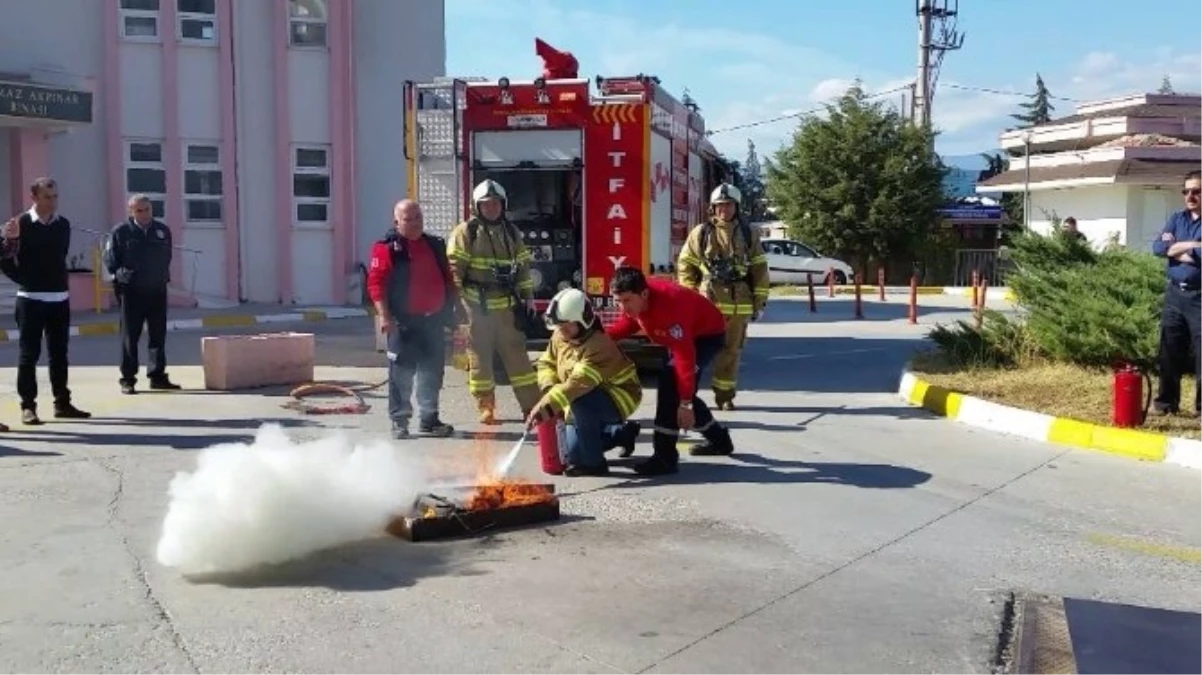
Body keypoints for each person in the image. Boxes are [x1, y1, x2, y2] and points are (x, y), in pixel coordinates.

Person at [607, 266, 733, 476]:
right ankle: (720, 441)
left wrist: (685, 404)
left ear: (644, 294)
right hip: (682, 337)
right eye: (618, 301)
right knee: (679, 392)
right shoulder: (639, 299)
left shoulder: (669, 310)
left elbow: (685, 358)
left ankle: (665, 459)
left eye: (626, 301)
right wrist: (600, 339)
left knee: (671, 388)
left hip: (706, 337)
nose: (622, 307)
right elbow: (628, 324)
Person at [446, 179, 540, 425]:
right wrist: (456, 306)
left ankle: (531, 408)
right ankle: (486, 407)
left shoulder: (511, 233)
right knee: (480, 363)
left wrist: (528, 298)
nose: (492, 208)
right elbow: (454, 270)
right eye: (486, 204)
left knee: (519, 362)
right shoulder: (466, 232)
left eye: (496, 204)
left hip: (507, 309)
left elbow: (523, 269)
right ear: (477, 207)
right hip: (476, 308)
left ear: (503, 205)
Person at [0, 177, 90, 425]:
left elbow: (59, 256)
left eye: (55, 197)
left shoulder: (63, 225)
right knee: (29, 355)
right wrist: (26, 279)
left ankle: (62, 403)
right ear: (34, 198)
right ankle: (28, 407)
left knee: (59, 354)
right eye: (47, 197)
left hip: (59, 298)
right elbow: (4, 258)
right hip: (31, 299)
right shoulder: (20, 223)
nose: (52, 202)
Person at [367, 199, 457, 439]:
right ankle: (400, 420)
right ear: (397, 222)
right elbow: (376, 284)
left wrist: (454, 316)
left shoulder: (435, 244)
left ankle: (429, 419)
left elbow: (448, 281)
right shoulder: (387, 248)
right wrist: (385, 315)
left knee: (432, 372)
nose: (416, 223)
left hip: (433, 321)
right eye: (409, 219)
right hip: (403, 323)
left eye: (418, 217)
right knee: (401, 374)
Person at [528, 287, 642, 476]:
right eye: (559, 326)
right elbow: (546, 362)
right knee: (572, 453)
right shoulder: (561, 334)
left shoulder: (598, 345)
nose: (561, 331)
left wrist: (546, 407)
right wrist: (549, 388)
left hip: (620, 394)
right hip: (581, 395)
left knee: (581, 403)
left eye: (567, 326)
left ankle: (595, 464)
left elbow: (577, 384)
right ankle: (621, 434)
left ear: (584, 321)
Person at [677, 183, 770, 411]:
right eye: (719, 205)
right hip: (709, 303)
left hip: (739, 304)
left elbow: (759, 268)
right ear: (712, 208)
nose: (723, 210)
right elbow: (685, 265)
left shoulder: (749, 234)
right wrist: (689, 295)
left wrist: (760, 300)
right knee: (697, 353)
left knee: (731, 353)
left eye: (728, 205)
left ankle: (725, 396)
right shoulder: (701, 233)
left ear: (736, 207)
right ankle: (688, 397)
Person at [103, 193, 180, 394]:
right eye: (139, 210)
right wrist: (122, 275)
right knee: (130, 337)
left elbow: (167, 257)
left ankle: (157, 375)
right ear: (131, 211)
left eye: (147, 209)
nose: (144, 214)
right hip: (131, 292)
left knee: (158, 335)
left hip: (156, 290)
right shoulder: (121, 232)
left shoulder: (162, 231)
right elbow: (111, 261)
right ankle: (128, 378)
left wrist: (159, 277)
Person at [1151, 170, 1202, 416]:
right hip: (1174, 296)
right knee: (1169, 350)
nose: (1190, 196)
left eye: (1196, 191)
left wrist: (1175, 248)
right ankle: (1166, 403)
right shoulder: (1176, 218)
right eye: (1186, 191)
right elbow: (1158, 247)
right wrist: (1192, 246)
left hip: (1199, 298)